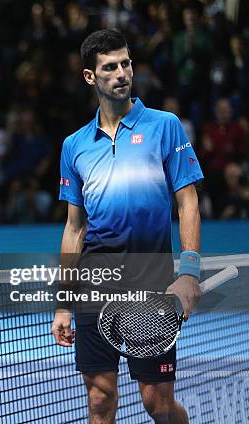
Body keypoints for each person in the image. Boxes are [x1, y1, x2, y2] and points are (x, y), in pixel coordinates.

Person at [51, 30, 204, 424]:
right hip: (95, 281)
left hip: (151, 281)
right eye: (110, 67)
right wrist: (64, 301)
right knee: (100, 401)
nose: (122, 73)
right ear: (90, 77)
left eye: (126, 63)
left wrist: (188, 271)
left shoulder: (164, 126)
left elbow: (187, 201)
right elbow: (74, 228)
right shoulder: (75, 145)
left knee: (158, 403)